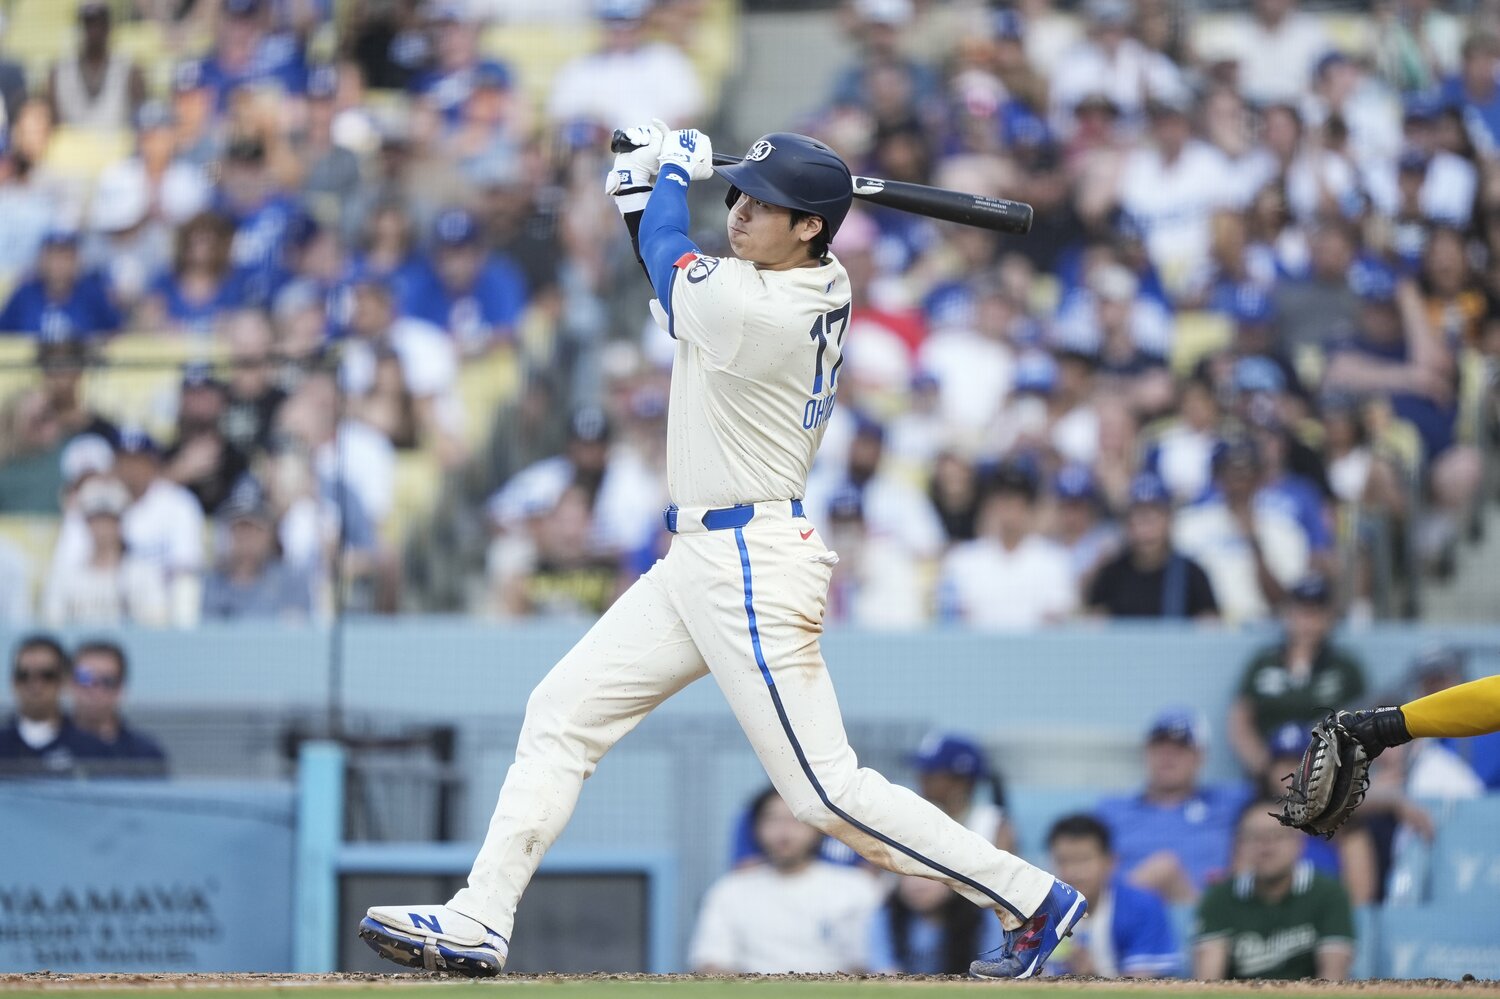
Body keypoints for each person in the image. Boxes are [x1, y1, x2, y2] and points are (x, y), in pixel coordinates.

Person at [359, 124, 1086, 979]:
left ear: (811, 226)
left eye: (762, 203)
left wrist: (668, 173)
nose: (738, 211)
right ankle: (481, 914)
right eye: (735, 194)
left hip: (751, 560)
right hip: (701, 558)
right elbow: (672, 285)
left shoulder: (765, 307)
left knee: (823, 792)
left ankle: (1031, 897)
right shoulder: (793, 280)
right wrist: (642, 194)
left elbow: (674, 263)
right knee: (561, 712)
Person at [689, 788, 884, 973]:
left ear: (819, 828)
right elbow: (710, 962)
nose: (784, 832)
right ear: (755, 828)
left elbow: (871, 964)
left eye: (796, 819)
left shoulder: (857, 887)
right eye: (773, 819)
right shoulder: (730, 890)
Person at [1095, 709, 1250, 903]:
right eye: (1159, 746)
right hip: (1129, 920)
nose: (1167, 756)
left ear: (1200, 756)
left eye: (1180, 747)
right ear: (1146, 753)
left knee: (1165, 868)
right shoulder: (1112, 810)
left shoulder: (1228, 802)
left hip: (1199, 915)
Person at [1193, 801, 1355, 980]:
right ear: (1239, 845)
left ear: (1298, 843)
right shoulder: (1220, 898)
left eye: (1276, 836)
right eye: (1254, 838)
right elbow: (1208, 982)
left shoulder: (1328, 894)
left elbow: (1334, 976)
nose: (1266, 848)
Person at [1227, 574, 1367, 777]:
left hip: (1328, 774)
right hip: (1270, 773)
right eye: (1302, 612)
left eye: (1316, 613)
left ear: (1329, 617)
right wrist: (1264, 768)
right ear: (1288, 614)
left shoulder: (1345, 668)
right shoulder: (1263, 663)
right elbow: (1240, 722)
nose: (1308, 621)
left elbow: (1362, 724)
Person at [937, 462, 1078, 629]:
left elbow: (1058, 622)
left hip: (1036, 653)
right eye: (1003, 499)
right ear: (991, 505)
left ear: (1029, 507)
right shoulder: (962, 560)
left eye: (1017, 500)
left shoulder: (1055, 561)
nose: (1010, 508)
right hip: (977, 653)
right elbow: (952, 623)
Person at [1043, 815, 1182, 978]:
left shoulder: (1142, 907)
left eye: (1083, 860)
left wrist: (1091, 976)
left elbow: (1143, 986)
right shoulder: (1038, 911)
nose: (1073, 872)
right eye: (1063, 861)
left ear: (1110, 862)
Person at [42, 476, 170, 627]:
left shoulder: (144, 575)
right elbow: (52, 625)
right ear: (86, 523)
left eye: (110, 520)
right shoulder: (65, 576)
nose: (103, 528)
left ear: (121, 522)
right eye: (96, 520)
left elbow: (155, 626)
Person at [1087, 472, 1219, 619]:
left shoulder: (1192, 574)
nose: (1145, 530)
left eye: (1153, 518)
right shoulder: (1111, 575)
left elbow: (1210, 627)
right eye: (1138, 517)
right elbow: (1094, 626)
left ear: (1169, 520)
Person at [0, 635, 112, 776]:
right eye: (24, 675)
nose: (35, 685)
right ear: (13, 682)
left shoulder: (93, 750)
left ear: (64, 680)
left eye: (47, 675)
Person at [200, 482, 314, 621]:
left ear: (270, 534)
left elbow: (298, 637)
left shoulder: (292, 582)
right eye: (239, 528)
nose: (246, 537)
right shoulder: (211, 584)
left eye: (254, 528)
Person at [69, 639, 167, 775]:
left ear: (121, 688)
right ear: (70, 683)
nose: (95, 690)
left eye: (107, 682)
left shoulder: (145, 754)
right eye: (85, 678)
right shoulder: (46, 746)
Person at [45, 1, 145, 130]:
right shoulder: (59, 72)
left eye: (100, 24)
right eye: (88, 24)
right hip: (71, 147)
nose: (94, 31)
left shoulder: (130, 71)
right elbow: (52, 121)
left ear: (109, 27)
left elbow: (138, 120)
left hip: (117, 147)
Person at [909, 732, 1016, 853]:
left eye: (930, 774)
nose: (921, 780)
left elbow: (1003, 871)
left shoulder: (991, 825)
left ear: (960, 781)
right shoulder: (918, 820)